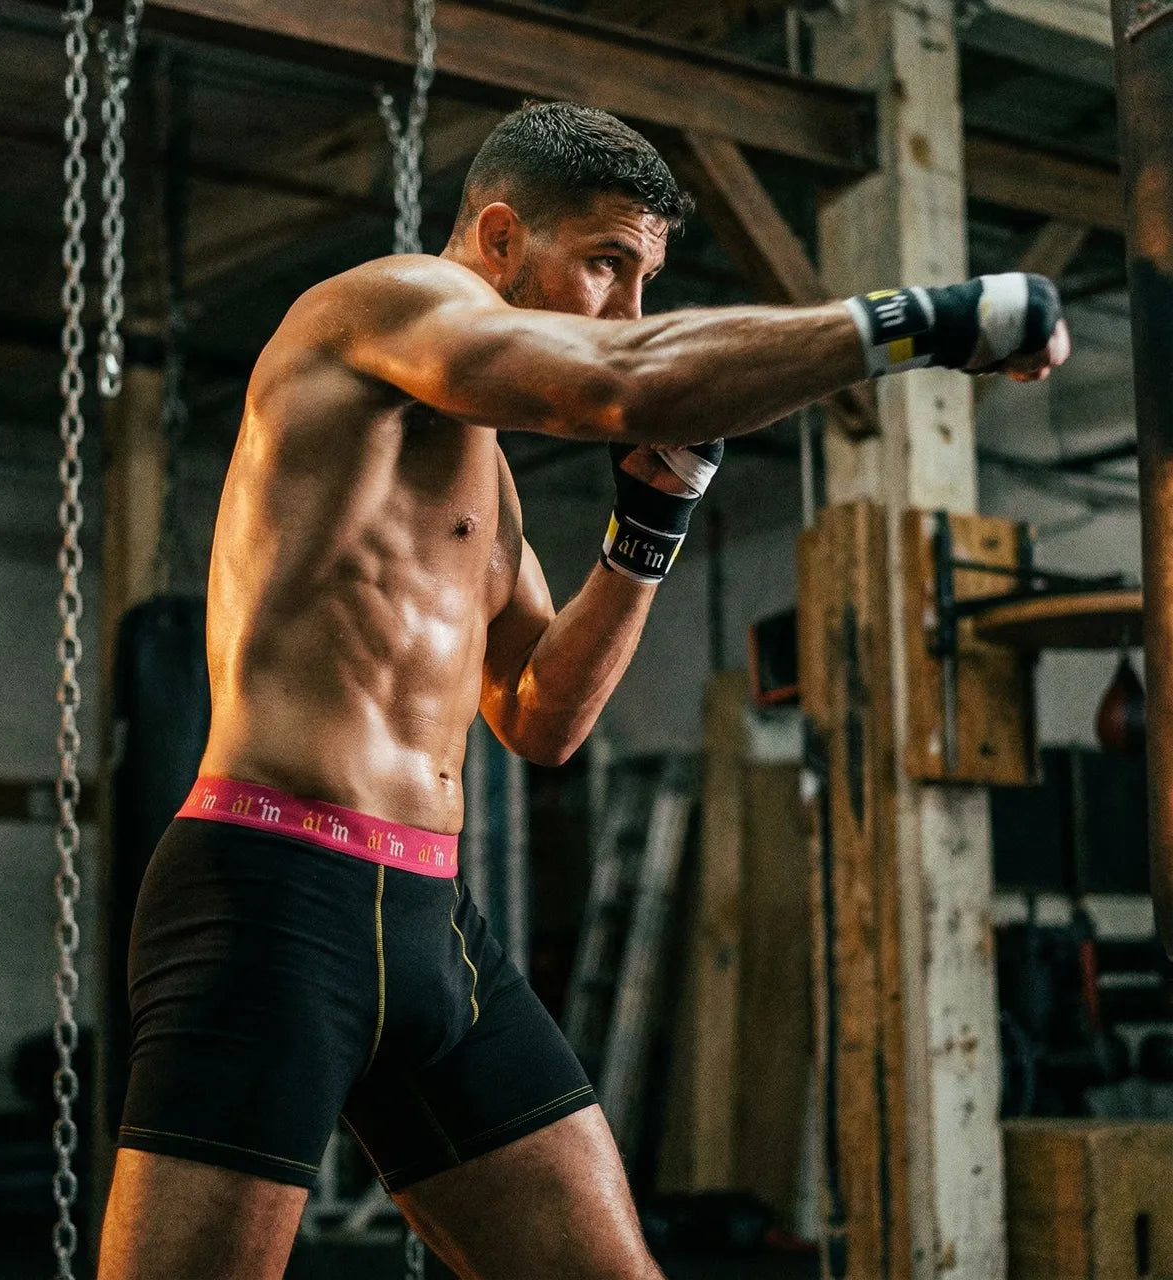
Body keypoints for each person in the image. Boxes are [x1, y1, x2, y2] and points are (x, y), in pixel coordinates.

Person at [97, 101, 1070, 1280]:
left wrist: (647, 527)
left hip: (430, 925)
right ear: (500, 236)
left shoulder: (489, 487)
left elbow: (540, 714)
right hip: (271, 898)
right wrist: (916, 325)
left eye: (643, 279)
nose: (626, 309)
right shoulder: (380, 305)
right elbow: (617, 384)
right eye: (606, 264)